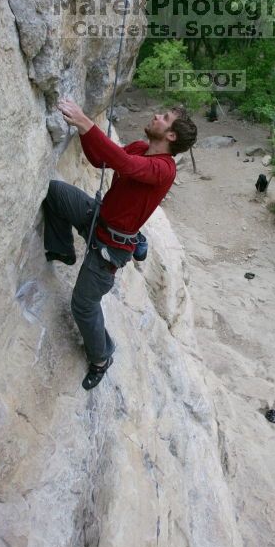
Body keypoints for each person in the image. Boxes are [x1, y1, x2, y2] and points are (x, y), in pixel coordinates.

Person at [43, 99, 197, 390]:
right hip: (98, 219)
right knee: (54, 192)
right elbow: (102, 160)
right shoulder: (141, 148)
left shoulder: (164, 169)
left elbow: (125, 164)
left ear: (171, 136)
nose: (155, 115)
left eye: (163, 117)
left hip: (111, 248)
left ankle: (101, 358)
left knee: (83, 305)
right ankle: (63, 249)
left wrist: (85, 122)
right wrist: (86, 132)